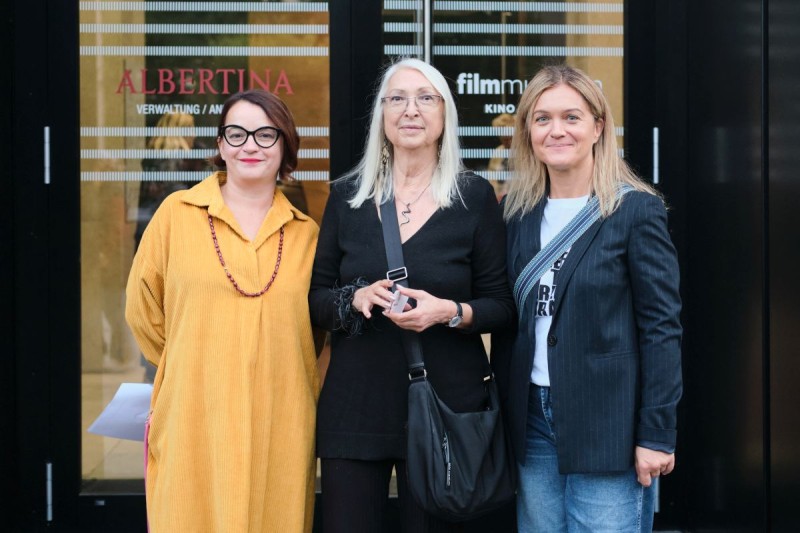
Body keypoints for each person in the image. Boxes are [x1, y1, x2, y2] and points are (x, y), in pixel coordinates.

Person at [309, 58, 514, 533]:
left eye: (426, 98)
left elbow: (501, 305)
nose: (411, 109)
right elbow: (316, 297)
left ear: (444, 116)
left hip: (445, 404)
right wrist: (353, 300)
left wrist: (450, 312)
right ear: (382, 116)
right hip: (356, 404)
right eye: (397, 98)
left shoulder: (474, 197)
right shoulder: (347, 197)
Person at [493, 64, 682, 532]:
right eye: (542, 119)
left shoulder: (636, 211)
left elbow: (662, 329)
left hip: (609, 426)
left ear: (598, 127)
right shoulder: (516, 215)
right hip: (533, 419)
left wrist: (656, 433)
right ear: (528, 132)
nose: (556, 130)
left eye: (571, 117)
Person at [125, 90, 320, 532]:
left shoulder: (307, 234)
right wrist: (194, 362)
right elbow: (143, 310)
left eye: (265, 134)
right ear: (219, 145)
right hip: (194, 411)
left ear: (285, 146)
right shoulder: (176, 215)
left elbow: (313, 332)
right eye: (237, 133)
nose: (250, 145)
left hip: (281, 418)